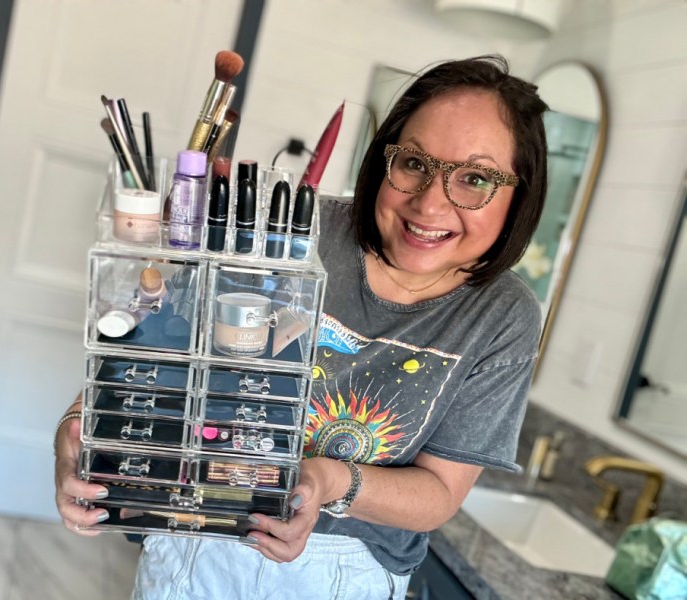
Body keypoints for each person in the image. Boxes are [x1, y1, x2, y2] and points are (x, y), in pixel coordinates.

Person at [54, 55, 548, 600]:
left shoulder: (503, 316)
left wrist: (328, 481)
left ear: (519, 196)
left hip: (347, 571)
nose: (430, 202)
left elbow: (439, 495)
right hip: (203, 535)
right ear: (384, 160)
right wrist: (78, 428)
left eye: (475, 179)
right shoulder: (292, 232)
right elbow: (155, 354)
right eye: (414, 164)